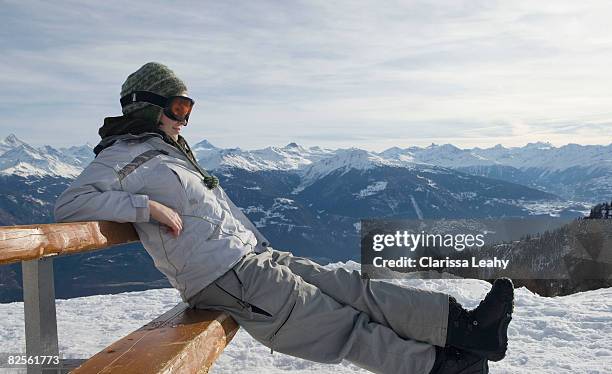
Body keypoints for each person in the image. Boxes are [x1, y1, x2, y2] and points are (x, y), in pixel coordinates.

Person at [54, 62, 514, 374]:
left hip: (252, 258)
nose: (185, 120)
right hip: (225, 277)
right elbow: (71, 205)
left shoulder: (166, 153)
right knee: (338, 324)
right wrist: (143, 208)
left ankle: (468, 329)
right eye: (179, 108)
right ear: (148, 106)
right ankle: (446, 366)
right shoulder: (123, 157)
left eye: (188, 109)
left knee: (354, 288)